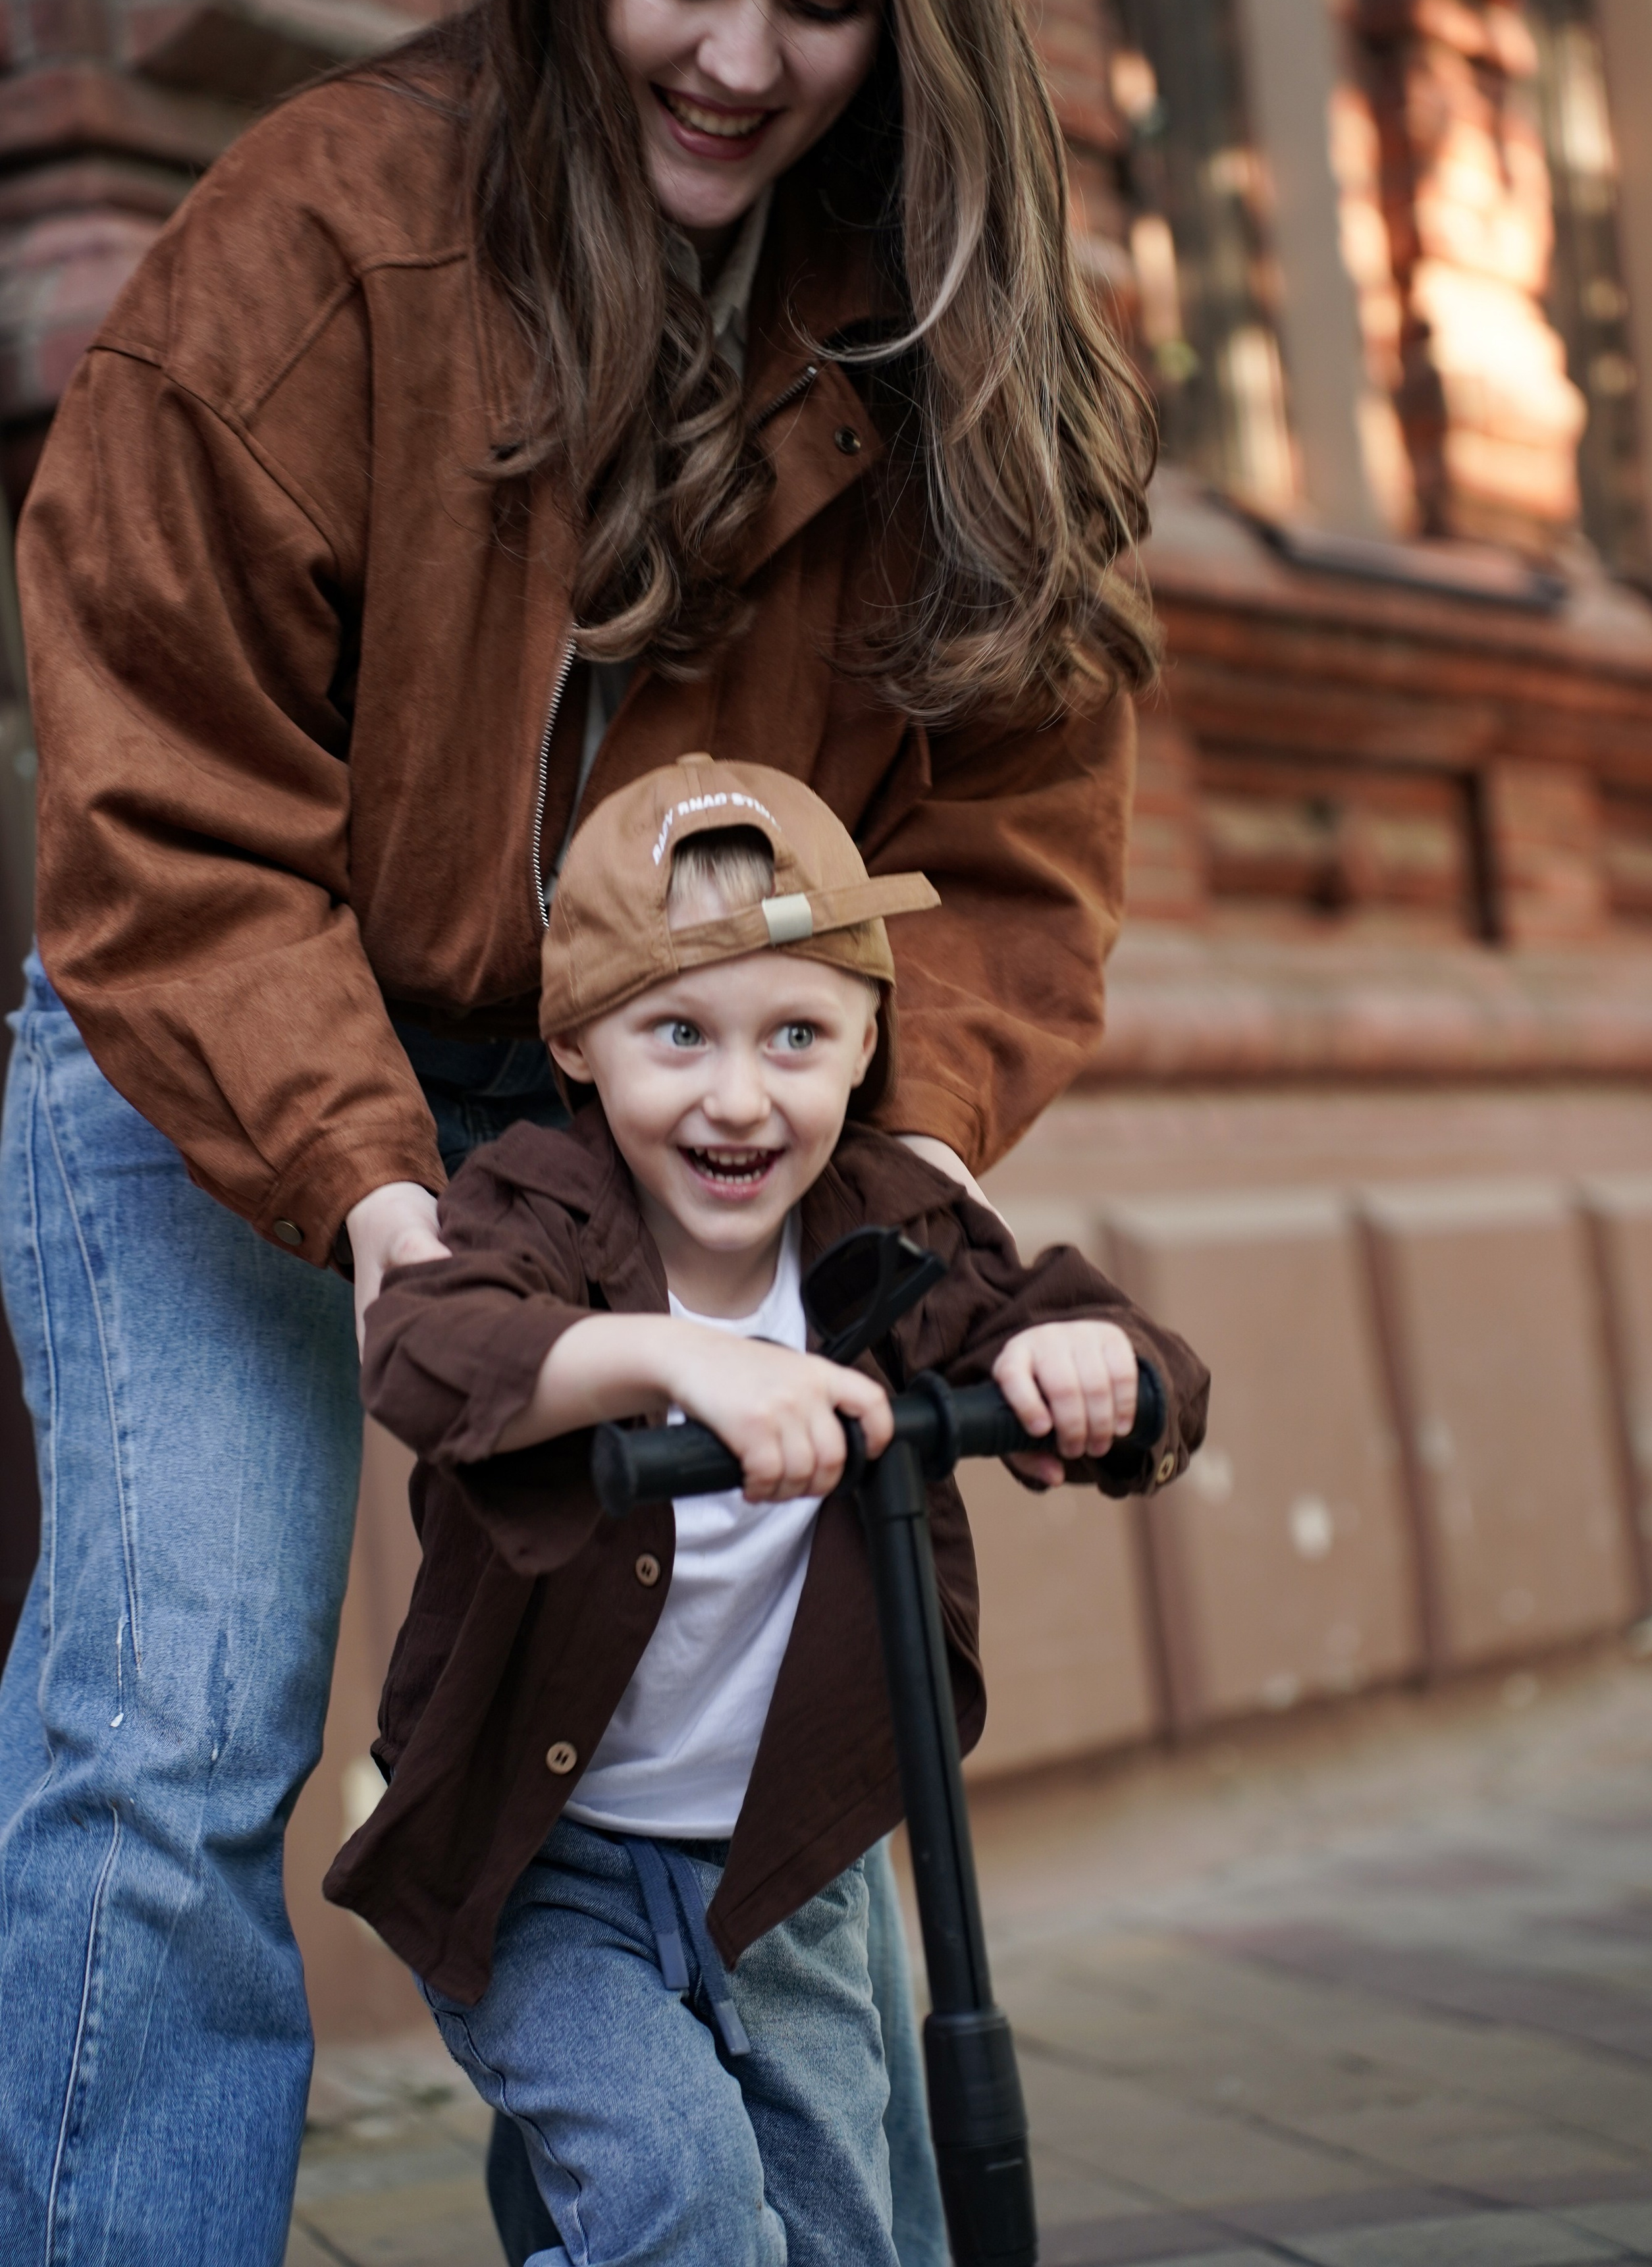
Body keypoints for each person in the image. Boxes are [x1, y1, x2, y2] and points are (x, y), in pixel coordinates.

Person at [0, 0, 1159, 2257]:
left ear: (919, 9)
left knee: (734, 1745)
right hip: (225, 1033)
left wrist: (907, 1150)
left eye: (830, 3)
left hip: (686, 1089)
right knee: (173, 1733)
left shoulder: (945, 329)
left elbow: (1017, 843)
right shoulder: (315, 241)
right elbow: (168, 812)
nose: (746, 60)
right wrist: (379, 1194)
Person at [331, 756, 1207, 2267]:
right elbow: (421, 1341)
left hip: (774, 1874)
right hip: (543, 1870)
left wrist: (1086, 1360)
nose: (739, 1096)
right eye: (678, 1033)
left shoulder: (883, 1223)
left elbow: (1102, 1342)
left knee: (840, 2229)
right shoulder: (534, 1213)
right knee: (680, 2198)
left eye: (795, 1035)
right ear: (579, 1046)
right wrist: (666, 1360)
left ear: (868, 1043)